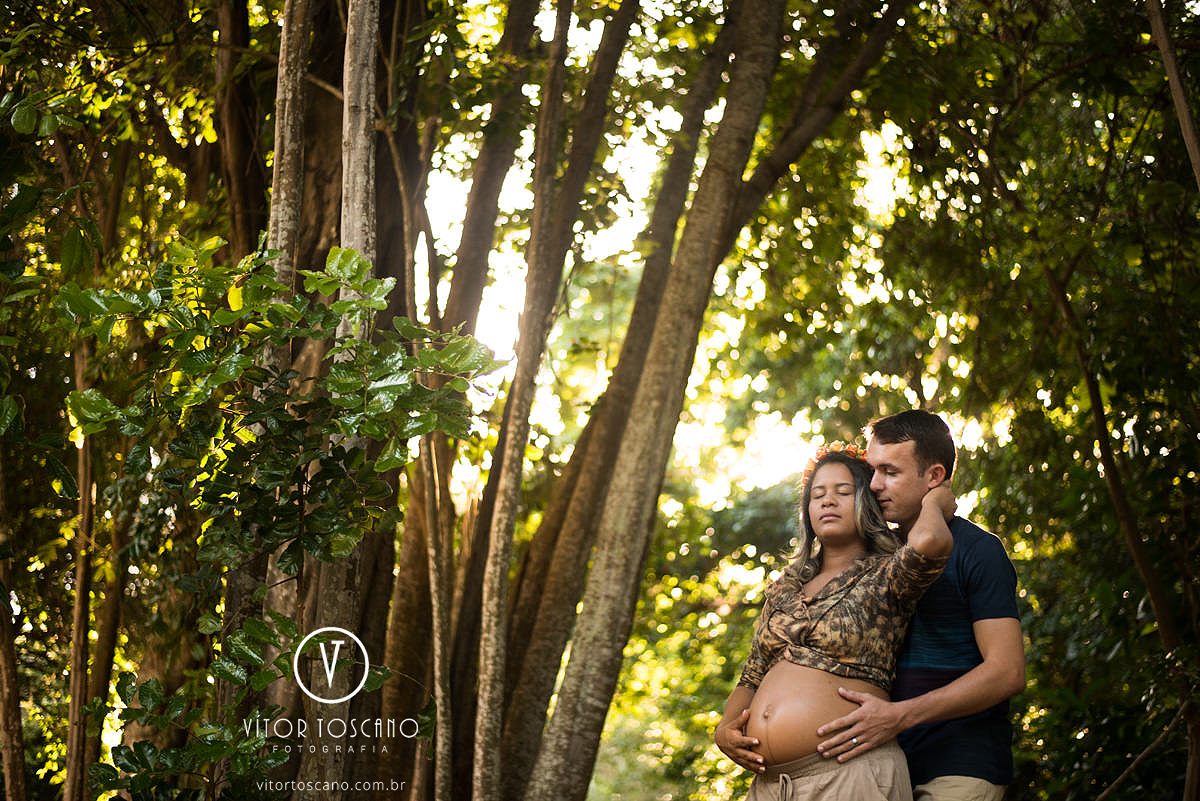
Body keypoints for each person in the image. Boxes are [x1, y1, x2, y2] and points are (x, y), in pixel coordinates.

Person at [715, 444, 955, 801]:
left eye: (843, 492)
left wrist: (935, 501)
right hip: (770, 786)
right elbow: (752, 675)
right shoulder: (784, 588)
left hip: (848, 773)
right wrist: (723, 731)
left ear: (866, 503)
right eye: (817, 494)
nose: (828, 501)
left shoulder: (886, 575)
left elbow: (931, 541)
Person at [813, 410, 1025, 801]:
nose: (874, 485)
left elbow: (1007, 672)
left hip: (959, 764)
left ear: (935, 477)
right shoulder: (874, 553)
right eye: (872, 470)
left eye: (890, 472)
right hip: (877, 763)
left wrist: (899, 716)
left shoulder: (979, 551)